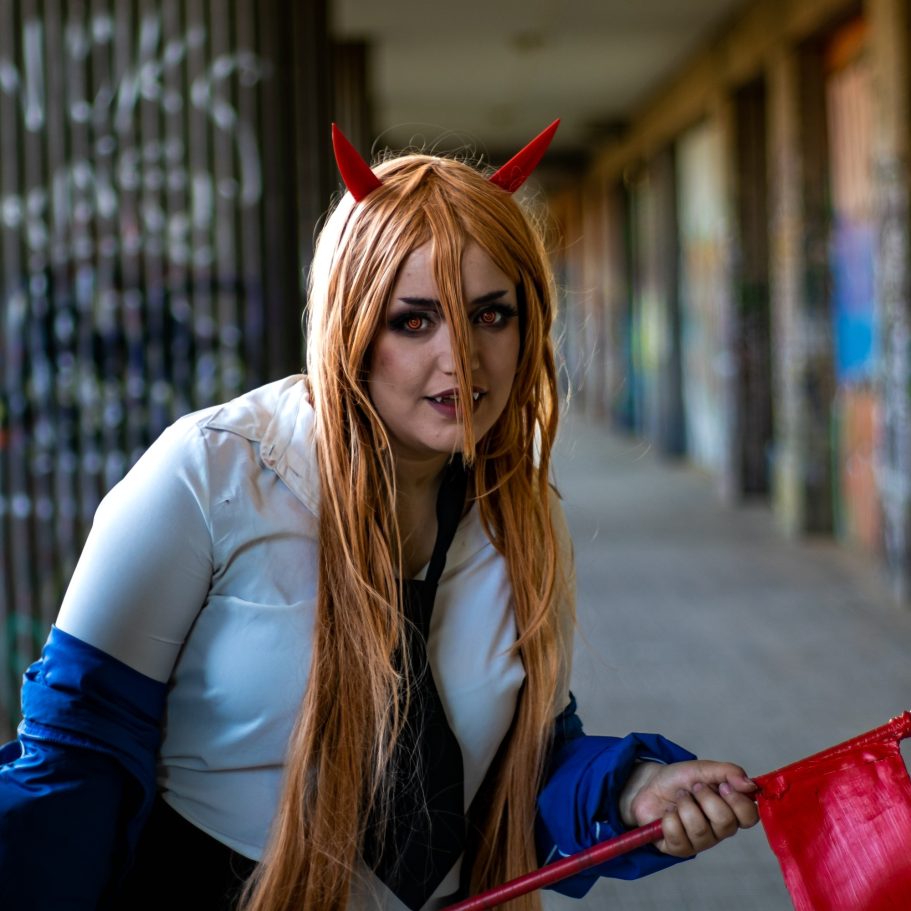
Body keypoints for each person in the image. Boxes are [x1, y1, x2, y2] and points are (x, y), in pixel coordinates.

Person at [0, 121, 758, 911]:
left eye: (491, 314)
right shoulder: (212, 472)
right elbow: (71, 765)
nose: (461, 359)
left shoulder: (516, 515)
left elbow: (507, 771)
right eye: (414, 320)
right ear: (350, 323)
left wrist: (635, 788)